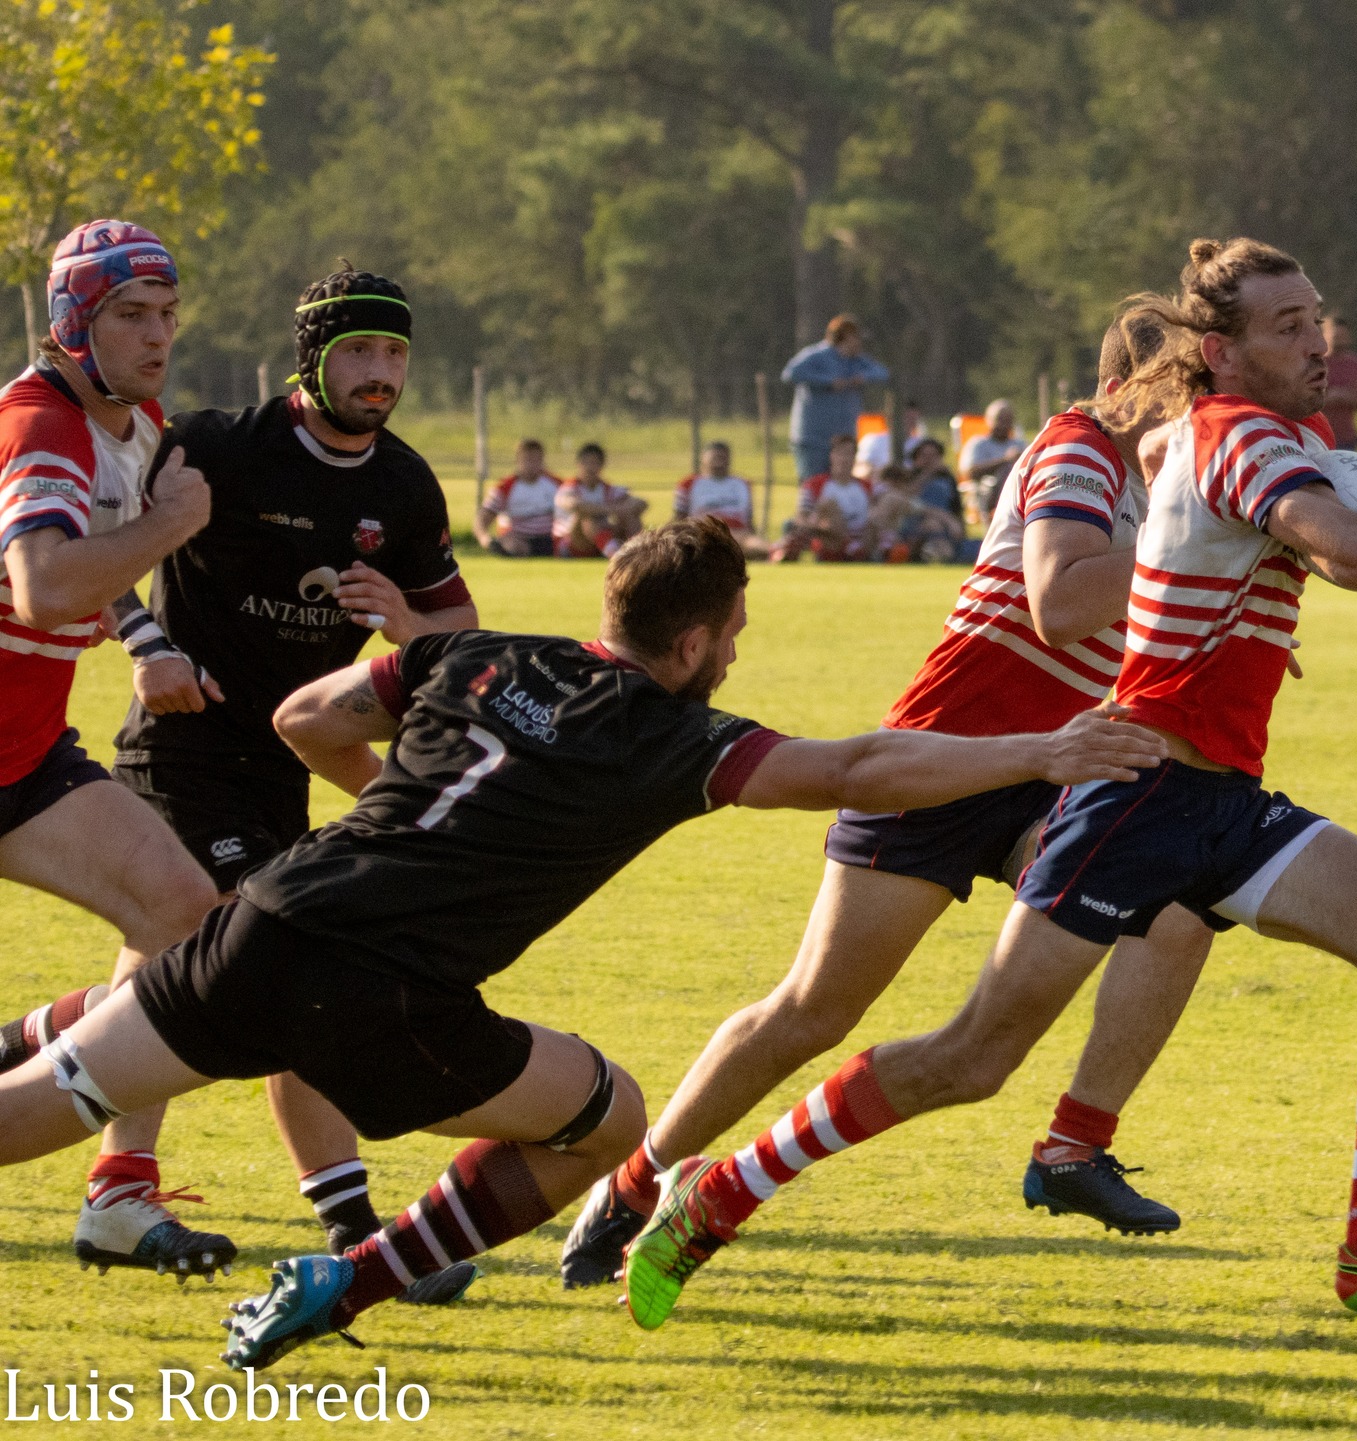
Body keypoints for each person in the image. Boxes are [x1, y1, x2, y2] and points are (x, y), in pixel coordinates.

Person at [0, 516, 1168, 1370]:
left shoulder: (475, 653)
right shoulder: (672, 736)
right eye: (735, 635)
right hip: (387, 994)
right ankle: (351, 1280)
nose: (736, 656)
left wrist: (384, 802)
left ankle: (343, 1263)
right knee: (609, 1121)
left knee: (38, 1108)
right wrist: (1044, 752)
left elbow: (303, 716)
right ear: (697, 639)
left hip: (262, 922)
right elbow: (858, 768)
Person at [622, 237, 1357, 1332]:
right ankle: (720, 1190)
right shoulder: (1235, 436)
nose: (1317, 338)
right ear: (1217, 351)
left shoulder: (1234, 438)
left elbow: (1203, 529)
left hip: (1223, 800)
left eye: (1316, 316)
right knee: (970, 1056)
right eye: (1286, 324)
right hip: (1133, 793)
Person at [556, 315, 1200, 1290]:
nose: (1205, 409)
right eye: (1190, 386)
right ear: (1133, 386)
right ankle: (636, 1185)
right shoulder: (1078, 445)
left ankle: (1074, 1144)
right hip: (938, 761)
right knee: (811, 1010)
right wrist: (1196, 546)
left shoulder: (1163, 488)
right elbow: (1061, 601)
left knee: (1174, 898)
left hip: (1050, 771)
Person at [96, 265, 479, 1296]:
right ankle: (350, 1226)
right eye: (358, 351)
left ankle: (96, 1149)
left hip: (287, 763)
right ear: (312, 355)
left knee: (179, 963)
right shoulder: (221, 447)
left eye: (394, 353)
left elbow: (462, 632)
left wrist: (405, 625)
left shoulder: (400, 485)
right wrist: (141, 641)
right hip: (182, 748)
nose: (379, 373)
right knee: (277, 962)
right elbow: (92, 544)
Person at [0, 220, 223, 1279]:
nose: (157, 336)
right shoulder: (42, 423)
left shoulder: (131, 423)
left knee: (183, 912)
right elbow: (47, 583)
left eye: (169, 316)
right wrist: (175, 524)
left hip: (24, 758)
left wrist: (143, 637)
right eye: (132, 315)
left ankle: (119, 1197)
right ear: (72, 325)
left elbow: (95, 555)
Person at [782, 315, 889, 482]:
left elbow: (883, 373)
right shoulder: (816, 355)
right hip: (814, 440)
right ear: (846, 337)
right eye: (857, 338)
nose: (860, 343)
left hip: (844, 440)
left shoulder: (858, 361)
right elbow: (791, 373)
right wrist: (828, 382)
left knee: (839, 486)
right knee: (813, 484)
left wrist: (863, 377)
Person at [776, 435, 870, 562]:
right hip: (828, 539)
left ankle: (880, 550)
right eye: (840, 453)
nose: (844, 459)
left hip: (864, 538)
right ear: (832, 455)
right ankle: (849, 547)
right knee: (829, 505)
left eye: (849, 454)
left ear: (855, 457)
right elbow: (802, 516)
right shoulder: (815, 484)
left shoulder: (867, 487)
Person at [673, 441, 768, 559]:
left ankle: (771, 551)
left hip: (737, 533)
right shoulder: (689, 484)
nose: (719, 461)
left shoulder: (742, 484)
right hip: (703, 531)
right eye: (715, 457)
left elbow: (748, 520)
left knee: (745, 541)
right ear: (703, 458)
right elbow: (679, 517)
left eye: (722, 457)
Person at [553, 443, 647, 558]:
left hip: (599, 537)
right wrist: (610, 509)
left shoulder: (608, 489)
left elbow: (641, 503)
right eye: (586, 463)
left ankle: (640, 554)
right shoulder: (569, 487)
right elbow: (575, 505)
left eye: (594, 463)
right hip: (572, 542)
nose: (590, 468)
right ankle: (615, 554)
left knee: (630, 516)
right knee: (587, 517)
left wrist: (621, 510)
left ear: (601, 465)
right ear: (579, 464)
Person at [863, 463, 964, 563]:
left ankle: (942, 555)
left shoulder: (877, 493)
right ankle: (945, 556)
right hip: (880, 545)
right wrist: (951, 521)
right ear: (897, 482)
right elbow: (926, 509)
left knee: (931, 524)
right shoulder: (893, 496)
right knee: (931, 525)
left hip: (879, 541)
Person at [475, 440, 560, 556]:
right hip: (519, 539)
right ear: (518, 461)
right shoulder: (505, 488)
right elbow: (484, 516)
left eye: (536, 460)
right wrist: (485, 538)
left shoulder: (556, 484)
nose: (532, 465)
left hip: (550, 538)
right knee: (512, 545)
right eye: (528, 460)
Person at [960, 400, 1025, 522]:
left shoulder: (1019, 444)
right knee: (1007, 470)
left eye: (1008, 419)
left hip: (1020, 493)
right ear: (988, 420)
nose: (1004, 424)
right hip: (989, 494)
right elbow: (969, 473)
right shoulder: (978, 444)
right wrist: (1005, 460)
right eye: (1000, 419)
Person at [1318, 312, 1357, 449]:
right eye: (1336, 337)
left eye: (1343, 337)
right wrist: (1329, 398)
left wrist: (1347, 398)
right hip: (1317, 436)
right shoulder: (1313, 364)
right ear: (1324, 335)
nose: (1340, 342)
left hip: (1346, 439)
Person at [905, 435, 963, 521]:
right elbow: (906, 497)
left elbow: (956, 507)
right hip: (915, 520)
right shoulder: (907, 477)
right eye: (924, 456)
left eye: (933, 456)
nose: (929, 460)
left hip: (944, 521)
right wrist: (927, 474)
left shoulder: (947, 479)